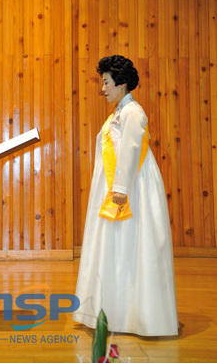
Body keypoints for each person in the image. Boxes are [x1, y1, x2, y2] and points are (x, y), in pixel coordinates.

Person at [73, 55, 178, 336]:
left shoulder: (132, 112)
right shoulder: (118, 113)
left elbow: (131, 150)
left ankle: (135, 314)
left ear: (120, 82)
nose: (103, 88)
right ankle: (115, 311)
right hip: (119, 185)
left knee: (133, 245)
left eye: (106, 82)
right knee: (117, 248)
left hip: (132, 188)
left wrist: (120, 189)